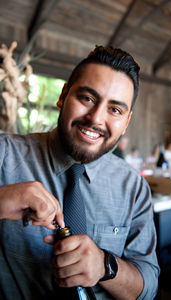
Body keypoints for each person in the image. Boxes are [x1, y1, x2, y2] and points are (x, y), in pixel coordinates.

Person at [0, 45, 159, 300]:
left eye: (115, 109)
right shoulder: (5, 156)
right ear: (63, 95)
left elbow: (148, 286)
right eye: (87, 98)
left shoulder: (133, 187)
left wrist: (105, 266)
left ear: (126, 122)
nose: (96, 118)